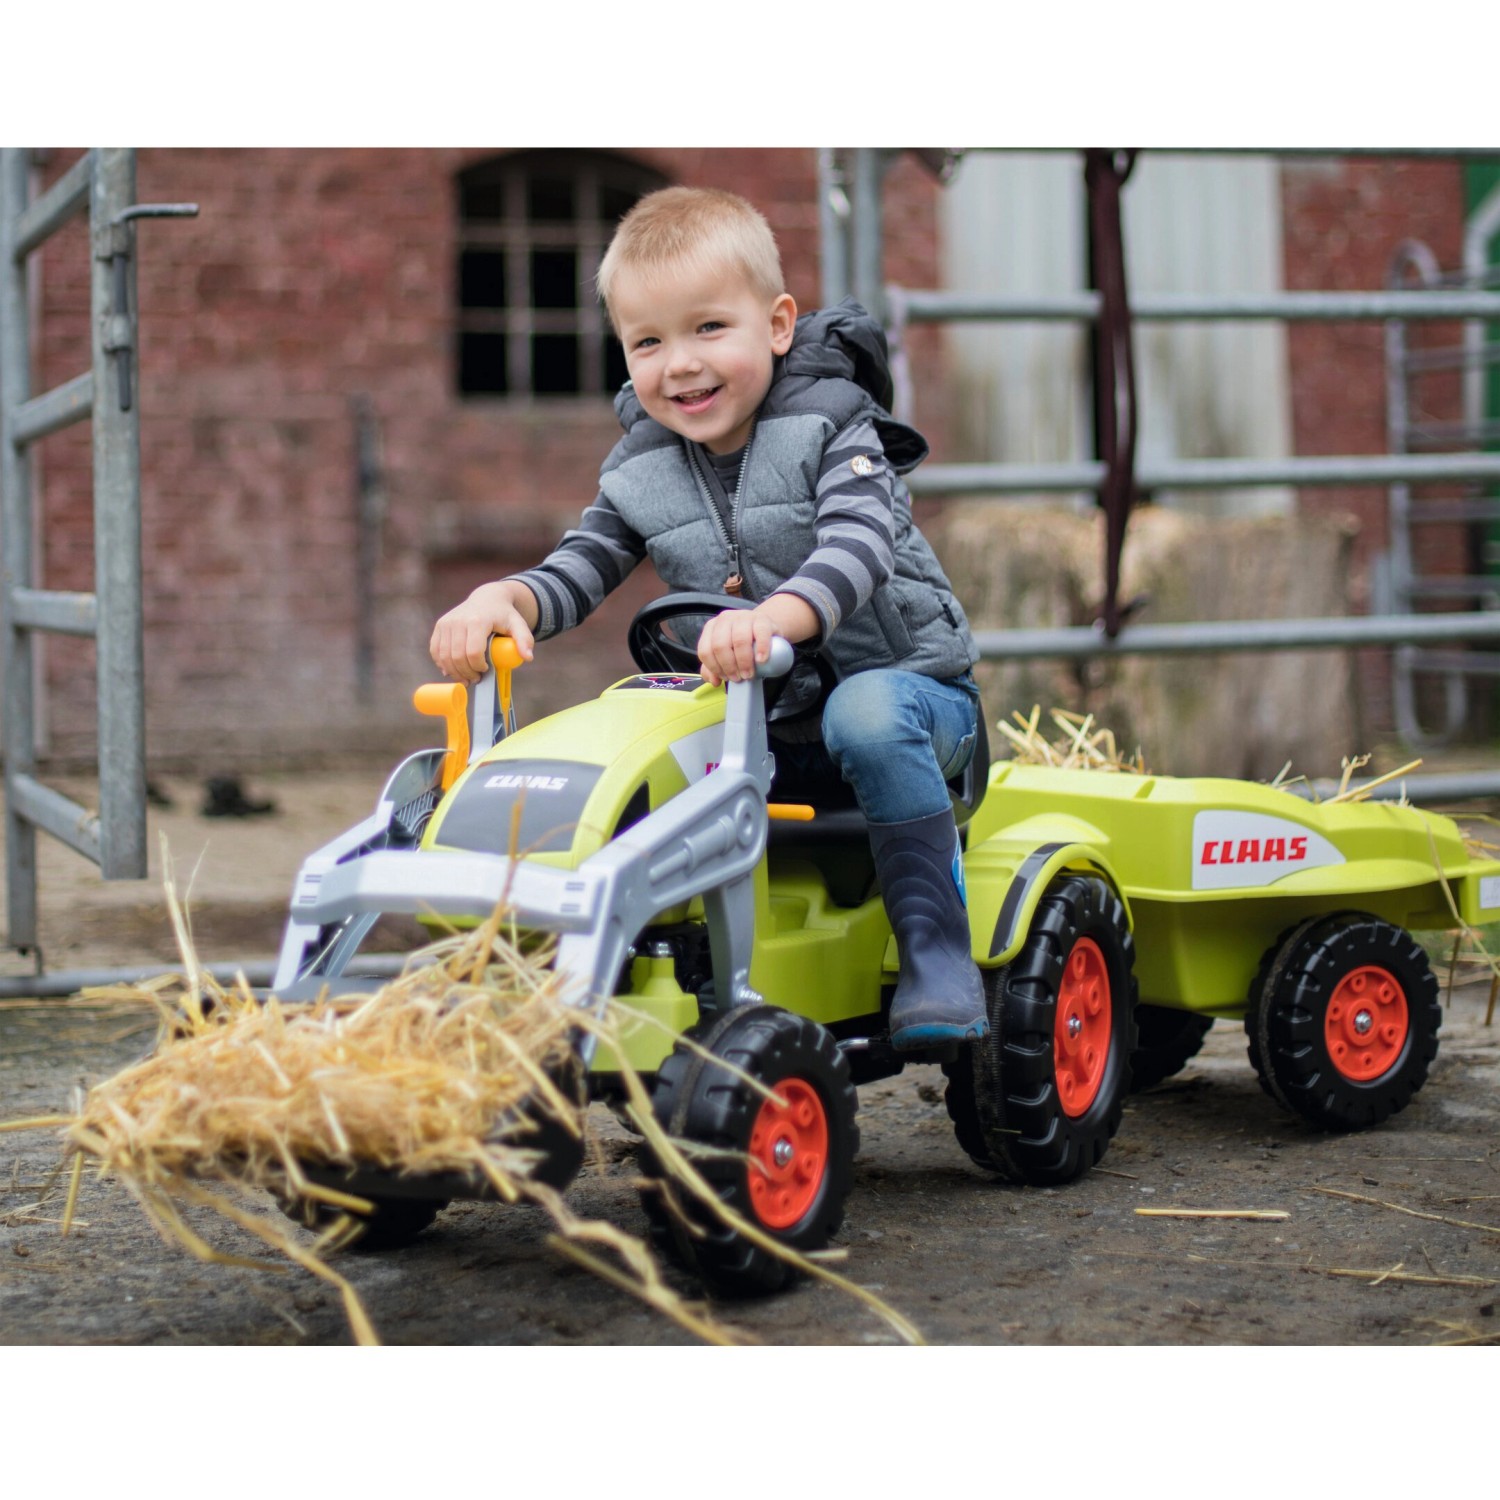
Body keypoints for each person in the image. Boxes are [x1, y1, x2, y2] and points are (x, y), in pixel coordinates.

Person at [429, 186, 985, 1050]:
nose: (679, 364)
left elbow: (859, 544)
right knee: (636, 732)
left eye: (707, 329)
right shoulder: (643, 467)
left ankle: (936, 949)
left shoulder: (838, 426)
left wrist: (780, 615)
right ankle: (602, 965)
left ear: (777, 324)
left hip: (913, 705)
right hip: (756, 727)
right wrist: (507, 597)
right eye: (648, 342)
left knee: (865, 712)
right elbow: (585, 562)